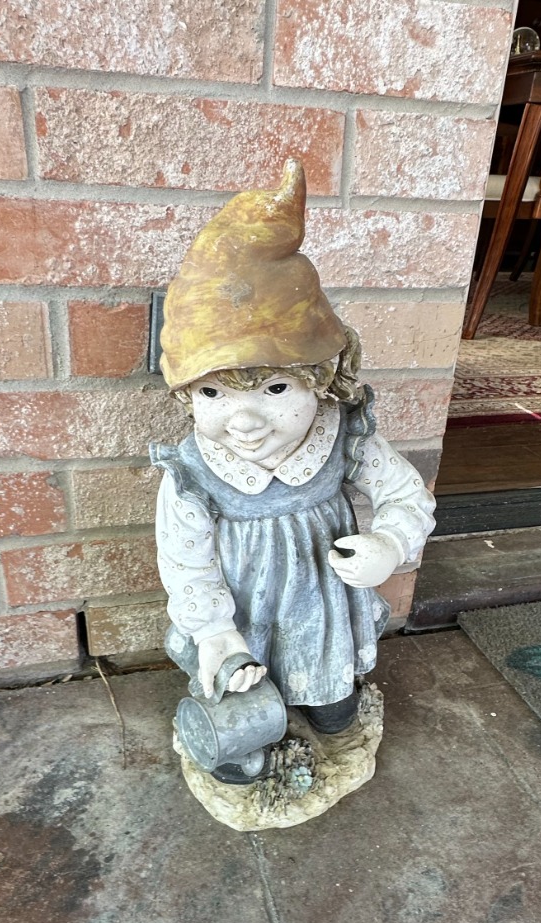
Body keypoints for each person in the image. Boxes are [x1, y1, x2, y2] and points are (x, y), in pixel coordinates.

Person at [151, 159, 436, 782]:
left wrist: (390, 544)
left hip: (321, 609)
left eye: (275, 388)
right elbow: (185, 559)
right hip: (238, 617)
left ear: (321, 381)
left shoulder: (344, 437)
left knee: (330, 694)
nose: (244, 420)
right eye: (212, 393)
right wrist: (214, 632)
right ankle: (239, 725)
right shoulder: (193, 472)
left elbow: (405, 494)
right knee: (241, 685)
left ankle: (329, 705)